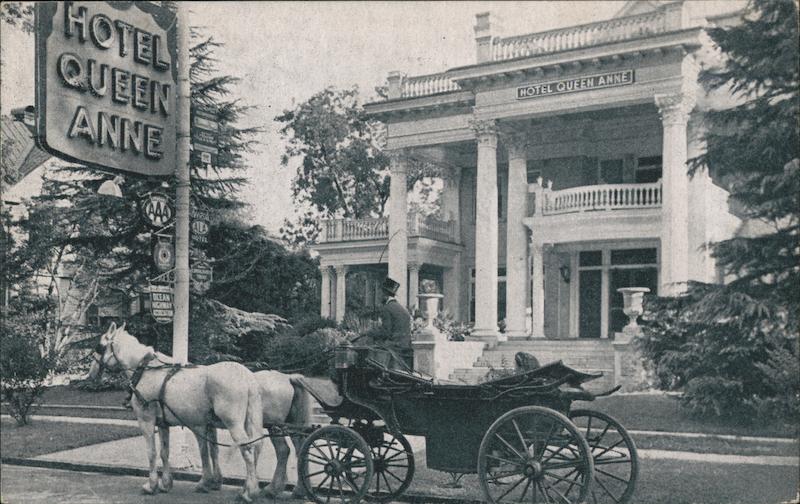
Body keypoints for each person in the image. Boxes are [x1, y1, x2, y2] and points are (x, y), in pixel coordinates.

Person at [371, 277, 414, 371]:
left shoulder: (386, 308)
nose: (379, 297)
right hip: (406, 344)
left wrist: (370, 332)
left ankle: (377, 377)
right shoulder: (402, 309)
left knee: (369, 352)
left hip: (394, 345)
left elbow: (386, 332)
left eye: (380, 293)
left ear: (385, 294)